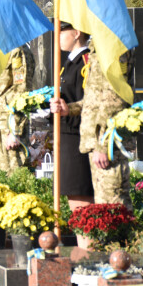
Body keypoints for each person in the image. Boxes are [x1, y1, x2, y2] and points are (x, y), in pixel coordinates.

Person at [51, 39, 134, 209]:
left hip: (107, 143)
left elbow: (114, 99)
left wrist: (102, 145)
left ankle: (119, 237)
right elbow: (93, 99)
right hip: (93, 141)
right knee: (102, 211)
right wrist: (69, 108)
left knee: (113, 208)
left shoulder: (112, 45)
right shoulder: (96, 47)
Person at [49, 22, 94, 215]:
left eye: (62, 32)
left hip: (77, 136)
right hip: (66, 135)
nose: (57, 36)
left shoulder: (85, 62)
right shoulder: (69, 62)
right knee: (71, 194)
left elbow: (88, 102)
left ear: (76, 33)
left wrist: (67, 110)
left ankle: (87, 244)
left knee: (79, 195)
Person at [0, 45, 35, 178]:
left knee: (16, 176)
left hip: (9, 123)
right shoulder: (3, 51)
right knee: (5, 176)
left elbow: (21, 91)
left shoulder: (17, 52)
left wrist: (15, 130)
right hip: (0, 122)